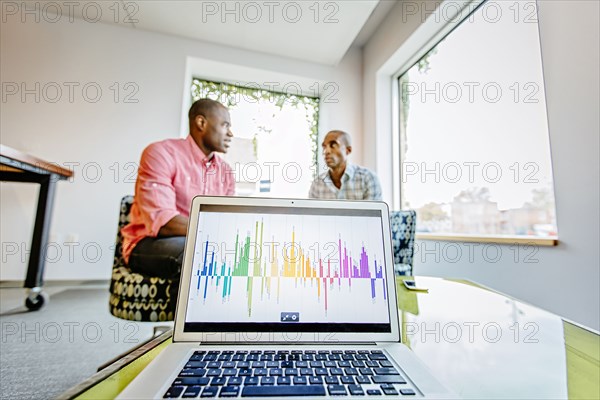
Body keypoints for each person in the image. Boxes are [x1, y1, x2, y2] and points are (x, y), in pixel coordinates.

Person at [121, 98, 235, 280]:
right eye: (225, 125)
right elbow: (164, 222)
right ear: (201, 123)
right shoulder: (161, 153)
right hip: (150, 242)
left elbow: (227, 220)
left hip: (204, 241)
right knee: (197, 255)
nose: (231, 133)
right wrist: (217, 231)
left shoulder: (226, 172)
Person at [309, 130, 382, 200]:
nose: (326, 151)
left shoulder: (368, 178)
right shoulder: (317, 184)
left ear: (348, 150)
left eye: (333, 145)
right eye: (324, 147)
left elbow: (371, 213)